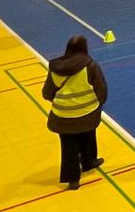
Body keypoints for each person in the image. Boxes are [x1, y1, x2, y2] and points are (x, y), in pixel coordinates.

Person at [42, 34, 107, 190]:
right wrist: (97, 103)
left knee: (68, 146)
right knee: (88, 136)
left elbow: (47, 93)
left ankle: (72, 179)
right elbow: (101, 88)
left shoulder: (56, 68)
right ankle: (89, 161)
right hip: (88, 112)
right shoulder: (90, 66)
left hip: (63, 116)